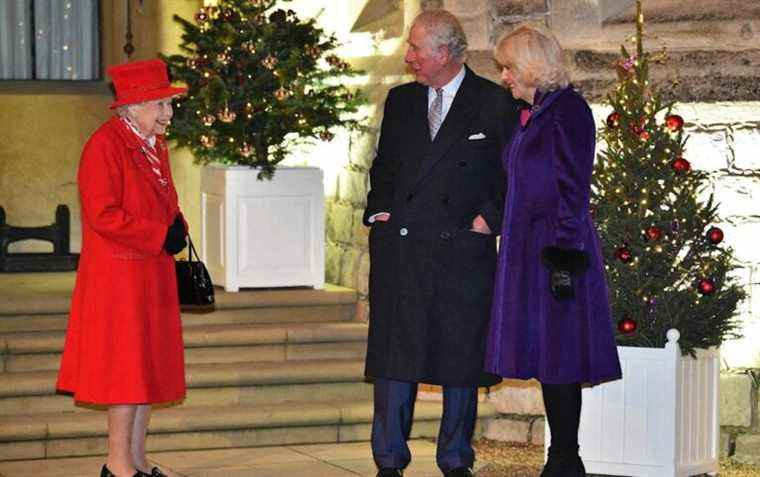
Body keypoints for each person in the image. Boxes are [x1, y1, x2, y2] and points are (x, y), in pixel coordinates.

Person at [363, 9, 520, 477]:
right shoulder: (402, 101)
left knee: (459, 358)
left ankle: (455, 458)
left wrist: (487, 220)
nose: (408, 57)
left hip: (460, 250)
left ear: (446, 52)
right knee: (395, 358)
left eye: (416, 48)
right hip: (403, 249)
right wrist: (379, 212)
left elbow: (511, 173)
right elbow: (385, 167)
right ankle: (388, 458)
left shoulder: (494, 102)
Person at [484, 24, 623, 477]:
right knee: (547, 355)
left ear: (530, 66)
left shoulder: (569, 111)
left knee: (560, 354)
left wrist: (562, 260)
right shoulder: (539, 111)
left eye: (507, 68)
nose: (504, 77)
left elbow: (572, 189)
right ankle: (562, 458)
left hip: (556, 250)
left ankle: (566, 458)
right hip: (529, 247)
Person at [56, 59, 188, 477]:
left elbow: (163, 197)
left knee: (146, 369)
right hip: (120, 278)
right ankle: (117, 466)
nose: (168, 114)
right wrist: (156, 233)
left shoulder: (153, 145)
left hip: (150, 273)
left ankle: (137, 460)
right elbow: (102, 214)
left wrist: (177, 222)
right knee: (126, 373)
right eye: (162, 106)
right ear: (135, 107)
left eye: (169, 105)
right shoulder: (105, 145)